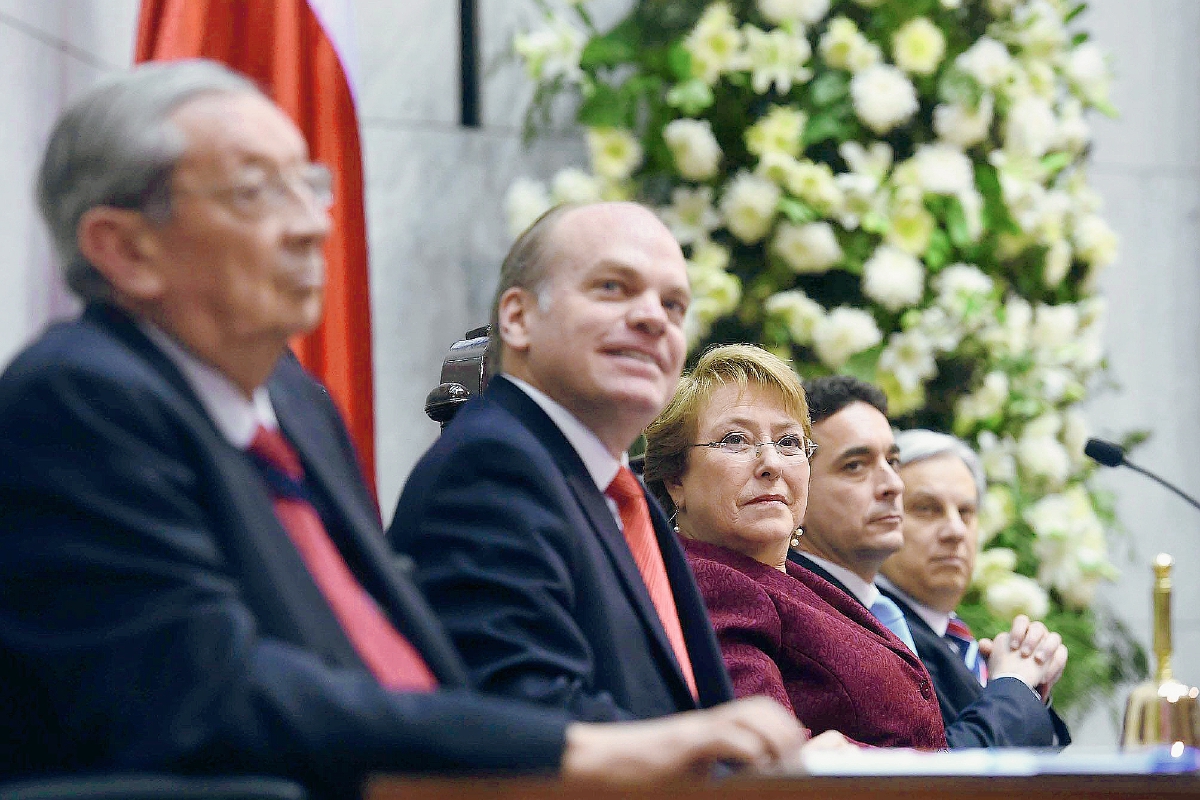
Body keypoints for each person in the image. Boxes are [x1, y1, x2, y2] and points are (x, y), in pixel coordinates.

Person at [0, 60, 821, 799]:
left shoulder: (297, 403)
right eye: (257, 192)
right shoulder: (77, 399)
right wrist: (581, 752)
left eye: (308, 185)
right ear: (126, 248)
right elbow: (201, 691)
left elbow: (405, 664)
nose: (314, 225)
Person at [390, 202, 752, 722]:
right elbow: (525, 720)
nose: (654, 319)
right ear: (517, 318)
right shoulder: (490, 470)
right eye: (613, 287)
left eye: (674, 305)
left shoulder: (618, 494)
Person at [642, 344, 945, 748]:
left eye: (788, 442)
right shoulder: (710, 584)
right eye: (735, 439)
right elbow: (769, 762)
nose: (772, 463)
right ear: (676, 479)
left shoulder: (792, 576)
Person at [793, 375, 1070, 748]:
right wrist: (1013, 688)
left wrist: (1024, 692)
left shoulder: (877, 610)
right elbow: (933, 769)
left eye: (891, 461)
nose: (892, 484)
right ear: (793, 488)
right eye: (855, 465)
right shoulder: (808, 614)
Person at [879, 429, 1071, 745]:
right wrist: (1013, 684)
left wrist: (1028, 694)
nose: (955, 530)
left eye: (966, 512)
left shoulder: (955, 636)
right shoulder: (877, 629)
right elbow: (942, 772)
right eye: (927, 509)